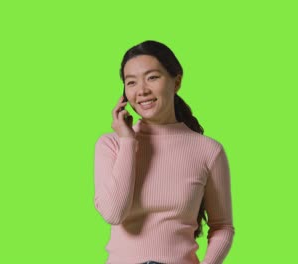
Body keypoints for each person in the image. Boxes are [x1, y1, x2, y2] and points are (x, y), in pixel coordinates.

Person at [93, 40, 235, 264]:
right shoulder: (111, 145)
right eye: (131, 82)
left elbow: (222, 227)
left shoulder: (208, 150)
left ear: (176, 81)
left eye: (152, 77)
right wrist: (128, 141)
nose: (142, 90)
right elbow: (113, 214)